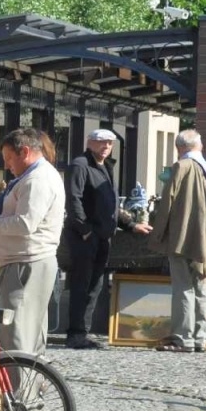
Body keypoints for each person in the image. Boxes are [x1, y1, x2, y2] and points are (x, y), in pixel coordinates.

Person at [64, 130, 151, 349]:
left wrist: (130, 225)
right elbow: (73, 200)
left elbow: (111, 205)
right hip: (85, 236)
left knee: (95, 285)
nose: (106, 146)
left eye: (110, 143)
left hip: (103, 236)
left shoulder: (106, 166)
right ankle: (75, 334)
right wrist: (84, 230)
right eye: (102, 142)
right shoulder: (80, 165)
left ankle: (83, 332)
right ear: (90, 142)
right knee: (81, 285)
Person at [0, 128, 65, 356]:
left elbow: (25, 223)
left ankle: (18, 390)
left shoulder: (38, 179)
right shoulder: (33, 176)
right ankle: (26, 387)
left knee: (17, 333)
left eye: (8, 158)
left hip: (25, 264)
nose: (6, 165)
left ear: (24, 152)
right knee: (26, 332)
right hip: (23, 262)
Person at [151, 133, 206, 353]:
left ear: (178, 147)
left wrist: (158, 234)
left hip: (182, 236)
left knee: (183, 286)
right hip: (204, 236)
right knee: (201, 284)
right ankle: (200, 337)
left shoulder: (182, 166)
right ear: (200, 145)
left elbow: (167, 201)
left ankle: (183, 338)